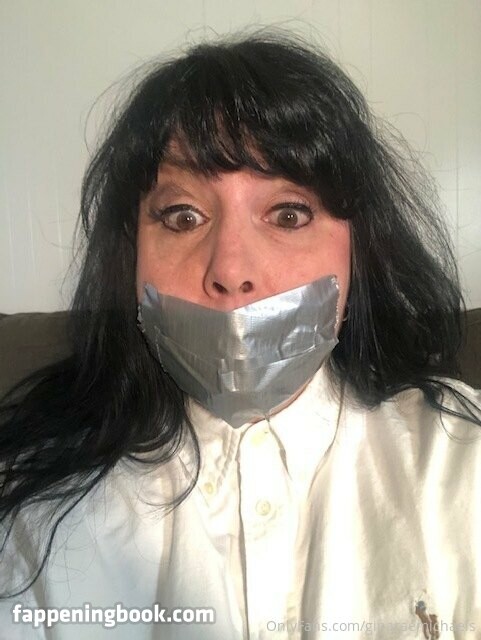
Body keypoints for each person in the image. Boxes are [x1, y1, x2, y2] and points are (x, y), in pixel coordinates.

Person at [1, 29, 480, 640]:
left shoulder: (462, 462)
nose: (230, 271)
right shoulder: (33, 513)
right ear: (131, 257)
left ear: (358, 250)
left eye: (288, 214)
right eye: (183, 216)